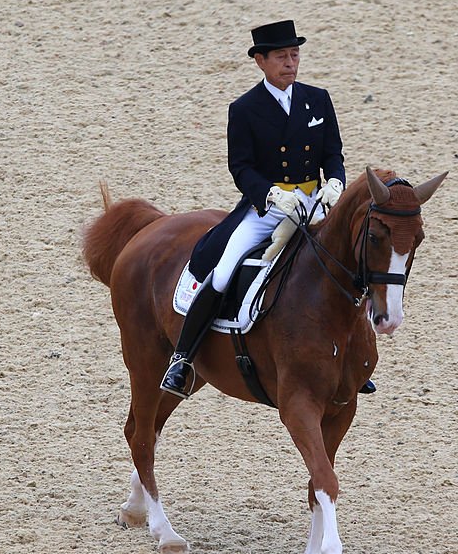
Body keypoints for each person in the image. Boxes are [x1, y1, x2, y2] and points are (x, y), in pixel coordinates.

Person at [161, 20, 377, 399]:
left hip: (315, 204)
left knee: (353, 263)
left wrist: (335, 182)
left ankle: (355, 358)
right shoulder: (244, 109)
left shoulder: (318, 99)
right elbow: (241, 167)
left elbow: (333, 154)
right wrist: (274, 195)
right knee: (225, 270)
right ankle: (183, 358)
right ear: (260, 61)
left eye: (294, 55)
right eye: (281, 56)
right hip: (268, 211)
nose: (290, 63)